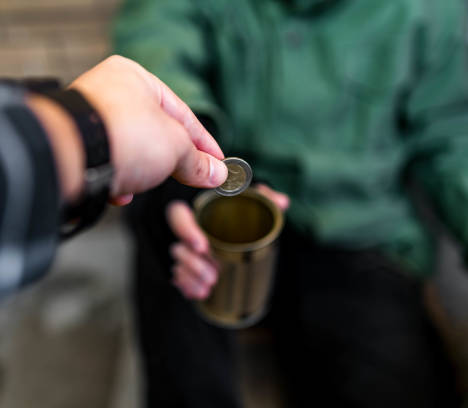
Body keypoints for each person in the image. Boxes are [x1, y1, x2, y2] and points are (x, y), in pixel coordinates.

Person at [114, 0, 468, 406]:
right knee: (163, 226)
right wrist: (185, 165)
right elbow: (155, 39)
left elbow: (454, 139)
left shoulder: (429, 11)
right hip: (224, 196)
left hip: (355, 232)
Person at [0, 51, 229, 406]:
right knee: (174, 284)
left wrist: (85, 131)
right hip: (184, 171)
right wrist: (89, 134)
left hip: (274, 201)